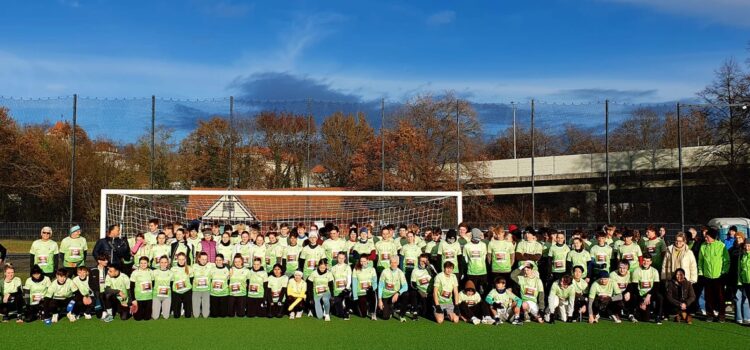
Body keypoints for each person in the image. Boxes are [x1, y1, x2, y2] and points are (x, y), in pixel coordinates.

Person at [698, 228, 729, 322]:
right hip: (707, 276)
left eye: (707, 237)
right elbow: (700, 261)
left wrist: (724, 272)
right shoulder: (703, 246)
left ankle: (721, 315)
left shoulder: (721, 246)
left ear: (712, 237)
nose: (706, 239)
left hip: (718, 276)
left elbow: (726, 261)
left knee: (720, 297)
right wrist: (701, 273)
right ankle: (710, 315)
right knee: (708, 297)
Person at [631, 254, 663, 323]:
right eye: (644, 261)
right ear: (642, 261)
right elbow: (635, 288)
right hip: (640, 295)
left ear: (651, 262)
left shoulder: (654, 271)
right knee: (645, 319)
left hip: (650, 295)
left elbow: (656, 286)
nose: (645, 263)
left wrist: (649, 295)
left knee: (659, 297)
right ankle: (635, 312)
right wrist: (641, 301)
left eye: (648, 261)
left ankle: (658, 316)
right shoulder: (636, 271)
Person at [378, 255, 408, 322]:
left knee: (406, 294)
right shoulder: (384, 272)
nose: (393, 264)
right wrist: (380, 300)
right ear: (389, 263)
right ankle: (390, 309)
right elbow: (380, 286)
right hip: (386, 295)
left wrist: (398, 293)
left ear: (398, 263)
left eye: (395, 262)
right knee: (385, 317)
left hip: (395, 295)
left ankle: (401, 315)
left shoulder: (400, 273)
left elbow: (405, 286)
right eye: (391, 262)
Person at [408, 253, 436, 320]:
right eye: (421, 261)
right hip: (420, 291)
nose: (422, 263)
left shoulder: (430, 267)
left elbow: (436, 277)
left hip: (429, 292)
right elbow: (413, 284)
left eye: (424, 261)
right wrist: (420, 291)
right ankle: (415, 311)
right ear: (418, 261)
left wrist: (429, 267)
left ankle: (424, 309)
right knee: (413, 292)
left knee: (425, 313)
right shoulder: (415, 270)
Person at [728, 233, 746, 324]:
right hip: (735, 278)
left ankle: (746, 317)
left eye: (740, 237)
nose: (738, 239)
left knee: (745, 298)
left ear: (743, 238)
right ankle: (739, 317)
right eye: (736, 237)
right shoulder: (731, 250)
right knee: (737, 297)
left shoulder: (746, 249)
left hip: (745, 278)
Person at [352, 255, 378, 320]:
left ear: (368, 261)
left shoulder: (372, 269)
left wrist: (373, 288)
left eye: (364, 261)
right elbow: (354, 283)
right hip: (360, 293)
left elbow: (375, 282)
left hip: (369, 291)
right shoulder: (356, 269)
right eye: (361, 261)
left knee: (373, 293)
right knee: (363, 315)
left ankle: (373, 313)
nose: (362, 263)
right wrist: (355, 296)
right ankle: (361, 307)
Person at [463, 228, 488, 294]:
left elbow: (484, 257)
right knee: (473, 291)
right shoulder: (467, 246)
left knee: (483, 292)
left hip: (482, 272)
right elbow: (465, 260)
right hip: (471, 273)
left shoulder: (483, 245)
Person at [129, 256, 153, 321]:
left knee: (147, 318)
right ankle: (132, 310)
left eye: (145, 263)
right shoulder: (135, 273)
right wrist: (133, 299)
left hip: (149, 297)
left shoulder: (151, 272)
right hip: (138, 298)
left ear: (148, 263)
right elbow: (131, 287)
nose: (143, 265)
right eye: (141, 263)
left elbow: (153, 284)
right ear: (139, 264)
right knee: (138, 318)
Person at [171, 252, 193, 318]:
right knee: (176, 316)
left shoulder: (189, 268)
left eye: (183, 259)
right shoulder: (173, 269)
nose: (181, 261)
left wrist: (189, 289)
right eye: (179, 259)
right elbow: (171, 281)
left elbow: (191, 280)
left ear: (185, 259)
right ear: (177, 259)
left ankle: (187, 311)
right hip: (176, 292)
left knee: (188, 315)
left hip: (187, 291)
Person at [330, 252, 352, 319]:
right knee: (339, 314)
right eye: (339, 258)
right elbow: (332, 280)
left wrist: (347, 288)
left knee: (346, 299)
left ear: (345, 258)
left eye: (342, 258)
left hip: (345, 290)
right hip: (336, 290)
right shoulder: (333, 268)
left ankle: (347, 309)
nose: (341, 259)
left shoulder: (347, 267)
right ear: (337, 258)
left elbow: (349, 279)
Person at [151, 256, 173, 320]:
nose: (163, 264)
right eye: (162, 262)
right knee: (155, 317)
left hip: (167, 296)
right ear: (159, 263)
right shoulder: (154, 272)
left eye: (165, 262)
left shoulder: (171, 273)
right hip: (156, 295)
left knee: (166, 317)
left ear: (168, 263)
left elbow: (171, 285)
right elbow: (152, 283)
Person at [192, 251, 212, 319]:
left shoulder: (210, 266)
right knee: (196, 315)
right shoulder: (194, 266)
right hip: (196, 290)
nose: (204, 261)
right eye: (202, 259)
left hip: (206, 290)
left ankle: (205, 312)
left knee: (205, 315)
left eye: (206, 259)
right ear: (199, 259)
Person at [737, 239, 750, 324]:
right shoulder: (742, 255)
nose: (747, 247)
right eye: (746, 245)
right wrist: (740, 281)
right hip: (746, 282)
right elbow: (739, 269)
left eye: (749, 246)